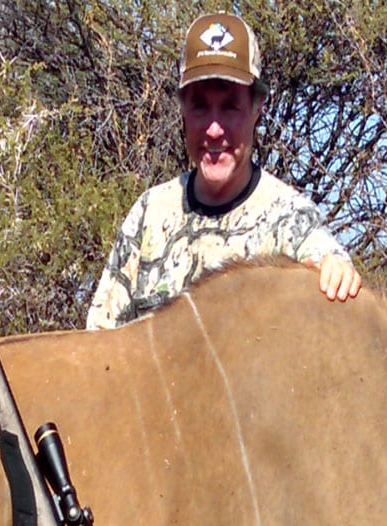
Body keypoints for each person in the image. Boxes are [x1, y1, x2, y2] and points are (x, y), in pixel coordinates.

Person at [86, 12, 361, 330]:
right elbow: (99, 341)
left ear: (257, 108)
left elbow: (332, 269)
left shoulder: (291, 219)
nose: (214, 129)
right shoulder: (149, 213)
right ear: (183, 110)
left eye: (230, 107)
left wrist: (335, 271)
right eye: (200, 106)